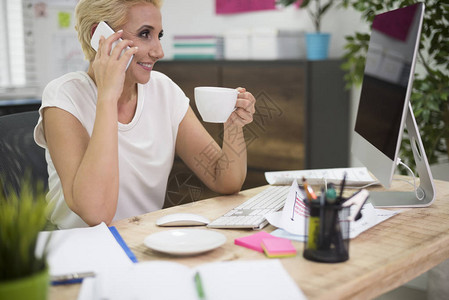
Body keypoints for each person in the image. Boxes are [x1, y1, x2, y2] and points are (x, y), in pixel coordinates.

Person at [34, 0, 256, 229]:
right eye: (144, 34)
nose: (159, 51)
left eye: (159, 35)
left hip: (143, 241)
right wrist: (108, 96)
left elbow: (225, 180)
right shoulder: (64, 96)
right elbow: (96, 214)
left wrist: (233, 126)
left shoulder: (164, 91)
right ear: (100, 37)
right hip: (78, 250)